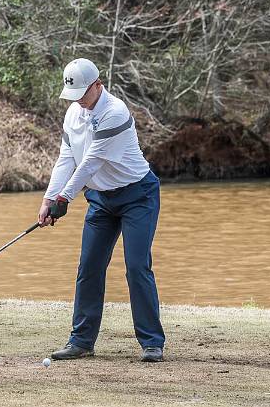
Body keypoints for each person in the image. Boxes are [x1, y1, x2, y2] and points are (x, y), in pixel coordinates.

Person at [38, 58, 165, 363]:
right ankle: (81, 341)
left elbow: (90, 163)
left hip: (138, 195)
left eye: (83, 93)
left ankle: (151, 342)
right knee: (89, 267)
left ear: (98, 85)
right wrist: (48, 198)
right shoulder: (73, 114)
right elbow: (66, 159)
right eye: (73, 95)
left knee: (137, 267)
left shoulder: (115, 112)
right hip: (101, 199)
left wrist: (64, 199)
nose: (79, 101)